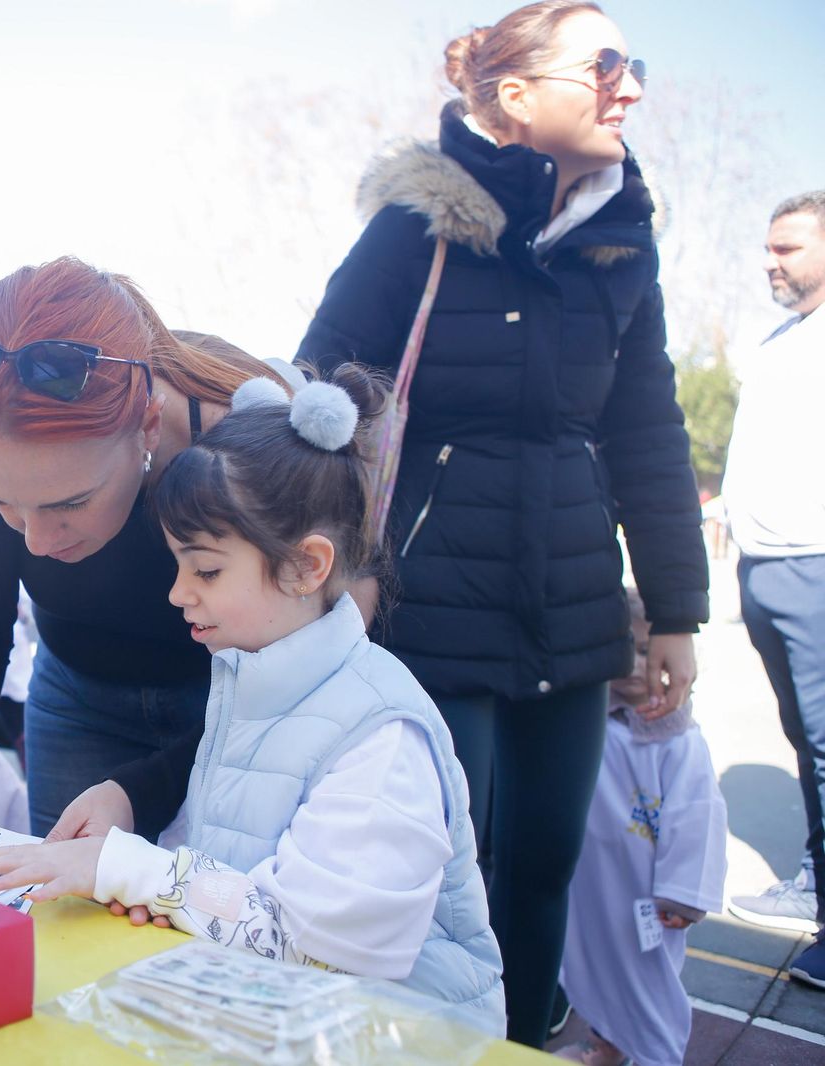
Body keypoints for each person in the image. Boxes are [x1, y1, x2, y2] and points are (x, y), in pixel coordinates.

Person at [291, 2, 708, 1044]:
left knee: (542, 872)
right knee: (443, 872)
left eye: (634, 62)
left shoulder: (620, 246)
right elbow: (318, 395)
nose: (633, 86)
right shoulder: (413, 226)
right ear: (515, 98)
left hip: (571, 614)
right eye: (605, 63)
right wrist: (344, 565)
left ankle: (521, 1042)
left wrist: (674, 613)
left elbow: (648, 430)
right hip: (428, 606)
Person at [0, 370, 504, 1033]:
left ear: (306, 565)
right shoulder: (250, 680)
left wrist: (132, 871)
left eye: (207, 570)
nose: (178, 594)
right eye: (177, 566)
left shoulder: (380, 738)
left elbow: (315, 951)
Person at [0, 257, 269, 837]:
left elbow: (288, 675)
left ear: (150, 427)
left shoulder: (239, 447)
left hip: (241, 706)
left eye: (68, 504)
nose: (34, 541)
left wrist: (143, 791)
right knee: (64, 922)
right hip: (76, 700)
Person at [722, 190, 825, 989]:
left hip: (816, 565)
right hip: (767, 568)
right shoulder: (783, 339)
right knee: (809, 743)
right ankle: (817, 884)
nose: (770, 261)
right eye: (768, 247)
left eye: (787, 247)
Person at [556, 589, 727, 1066]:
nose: (635, 664)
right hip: (593, 882)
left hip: (649, 893)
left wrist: (683, 892)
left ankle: (657, 1053)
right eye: (625, 648)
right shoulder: (590, 723)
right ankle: (607, 1043)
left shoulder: (677, 742)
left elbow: (698, 816)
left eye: (648, 651)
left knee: (647, 978)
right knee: (592, 964)